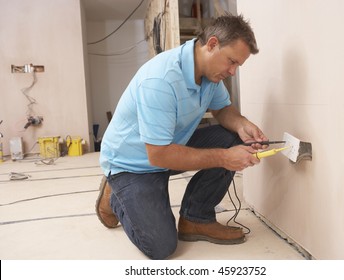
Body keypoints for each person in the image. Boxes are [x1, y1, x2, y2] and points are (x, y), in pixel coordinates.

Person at [96, 13, 268, 260]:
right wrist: (224, 158)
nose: (232, 72)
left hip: (170, 148)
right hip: (134, 163)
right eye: (231, 62)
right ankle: (114, 193)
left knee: (233, 137)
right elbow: (159, 154)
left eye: (237, 66)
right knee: (160, 247)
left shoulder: (210, 74)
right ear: (211, 44)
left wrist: (242, 125)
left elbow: (222, 109)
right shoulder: (161, 79)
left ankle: (196, 219)